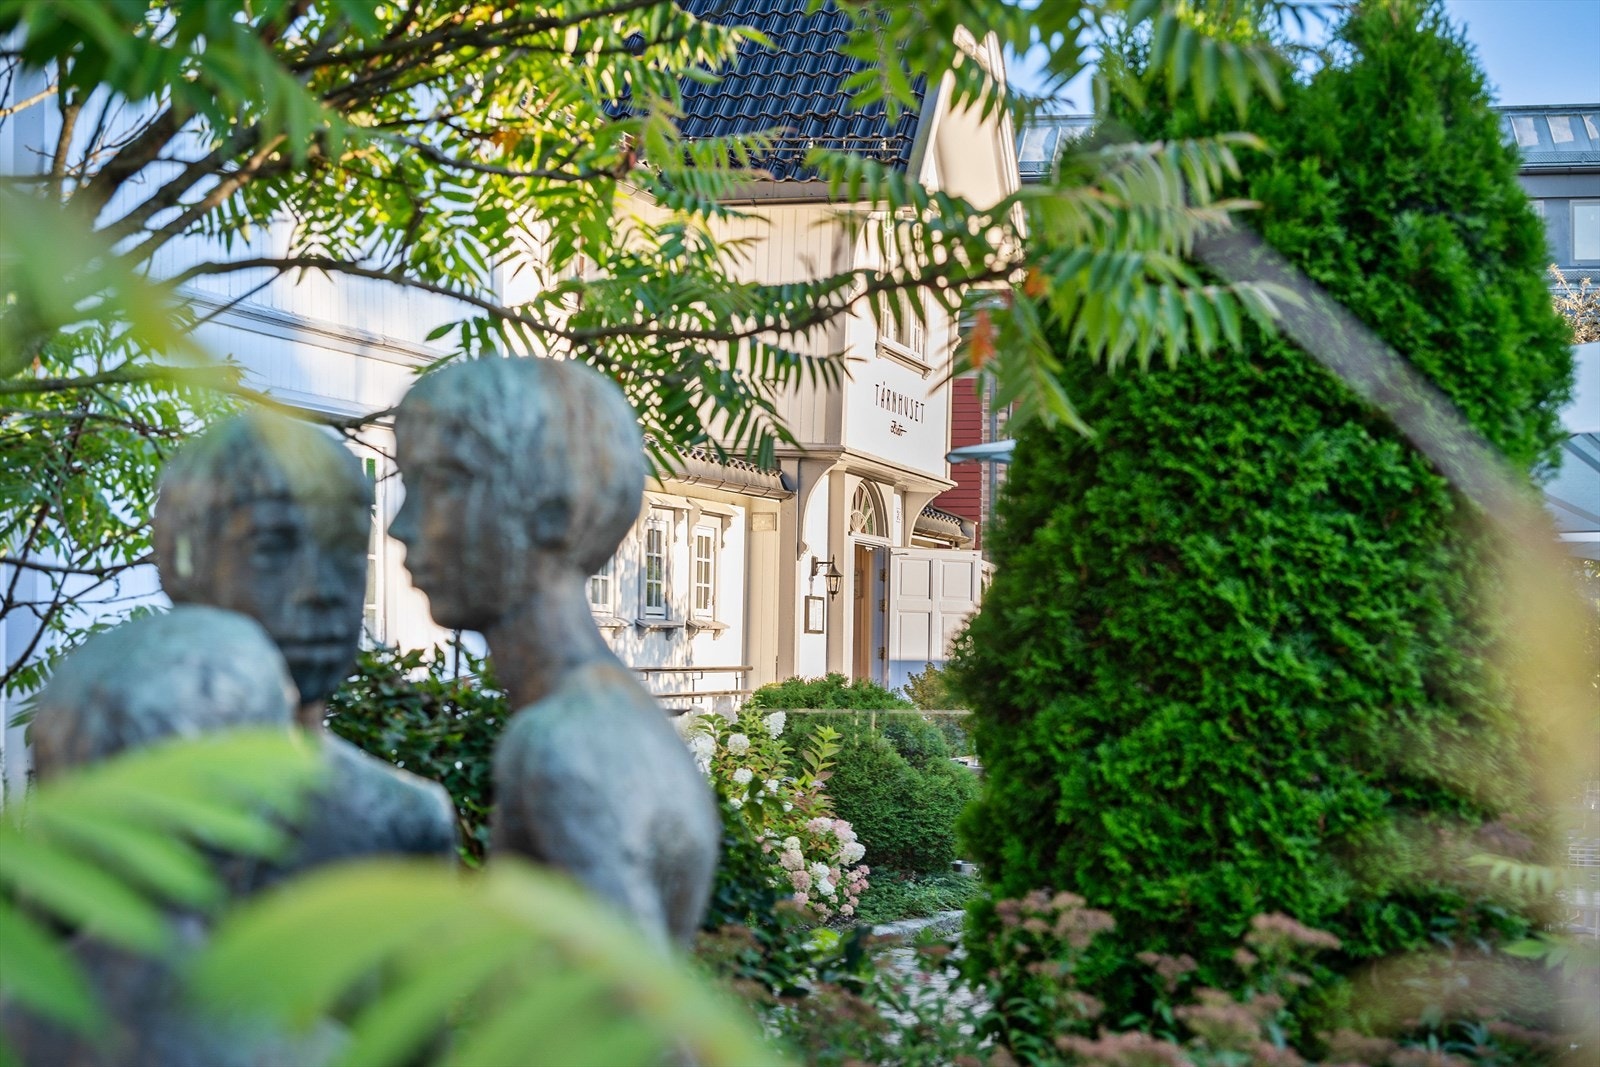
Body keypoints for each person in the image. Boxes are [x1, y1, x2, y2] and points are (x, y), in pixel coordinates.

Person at [390, 357, 719, 946]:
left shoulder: (564, 743)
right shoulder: (607, 715)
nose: (402, 526)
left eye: (440, 484)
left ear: (554, 512)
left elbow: (643, 1024)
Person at [153, 410, 458, 883]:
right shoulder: (121, 817)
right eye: (273, 545)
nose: (321, 589)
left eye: (347, 548)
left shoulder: (408, 823)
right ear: (182, 562)